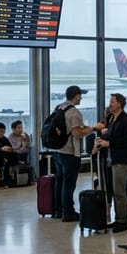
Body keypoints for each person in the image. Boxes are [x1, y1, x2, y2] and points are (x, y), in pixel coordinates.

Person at [93, 93, 127, 232]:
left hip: (121, 159)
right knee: (112, 189)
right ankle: (117, 218)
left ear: (119, 104)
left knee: (119, 191)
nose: (110, 104)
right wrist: (103, 139)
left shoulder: (126, 120)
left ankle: (123, 220)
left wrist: (109, 143)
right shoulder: (111, 118)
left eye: (112, 101)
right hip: (110, 159)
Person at [53, 86, 94, 222]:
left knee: (59, 181)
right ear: (76, 96)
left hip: (58, 151)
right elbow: (77, 133)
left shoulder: (59, 107)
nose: (81, 98)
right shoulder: (74, 113)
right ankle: (68, 212)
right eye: (80, 96)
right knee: (69, 183)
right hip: (70, 152)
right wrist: (92, 128)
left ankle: (58, 210)